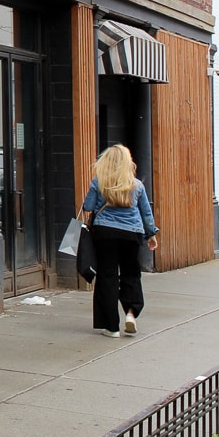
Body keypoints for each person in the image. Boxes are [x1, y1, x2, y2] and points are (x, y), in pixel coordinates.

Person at [81, 144, 159, 337]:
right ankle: (131, 314)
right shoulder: (136, 185)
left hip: (105, 233)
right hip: (131, 234)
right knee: (131, 274)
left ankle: (111, 327)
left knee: (107, 276)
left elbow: (88, 206)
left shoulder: (98, 182)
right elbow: (146, 213)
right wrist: (151, 234)